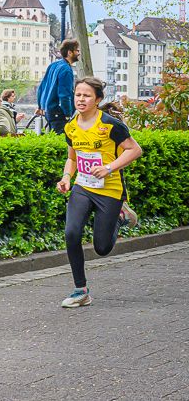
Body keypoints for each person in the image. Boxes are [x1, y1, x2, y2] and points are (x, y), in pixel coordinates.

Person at [56, 77, 142, 308]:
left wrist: (109, 168)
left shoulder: (110, 125)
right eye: (78, 95)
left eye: (87, 95)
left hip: (109, 189)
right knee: (71, 233)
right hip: (83, 187)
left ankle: (120, 215)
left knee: (102, 248)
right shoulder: (71, 126)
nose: (81, 99)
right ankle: (80, 291)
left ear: (97, 100)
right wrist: (66, 177)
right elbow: (72, 158)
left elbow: (135, 150)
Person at [36, 39, 81, 134]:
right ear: (69, 52)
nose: (79, 53)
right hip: (58, 113)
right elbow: (65, 95)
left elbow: (41, 87)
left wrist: (40, 106)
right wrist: (68, 114)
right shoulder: (66, 70)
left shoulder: (53, 65)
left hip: (48, 110)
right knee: (63, 139)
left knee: (52, 137)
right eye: (77, 51)